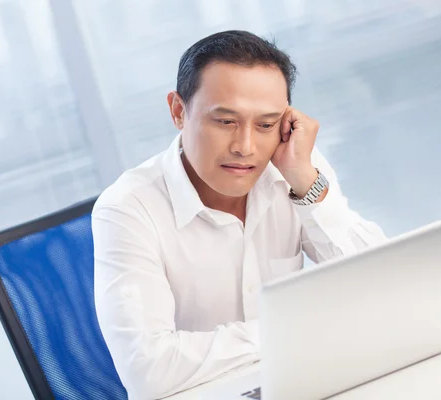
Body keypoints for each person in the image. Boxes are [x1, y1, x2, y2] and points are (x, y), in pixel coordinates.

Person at [92, 30, 386, 399]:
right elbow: (148, 370)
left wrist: (306, 183)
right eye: (225, 121)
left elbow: (383, 288)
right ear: (178, 111)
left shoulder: (293, 166)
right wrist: (292, 327)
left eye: (265, 125)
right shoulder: (127, 208)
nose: (245, 147)